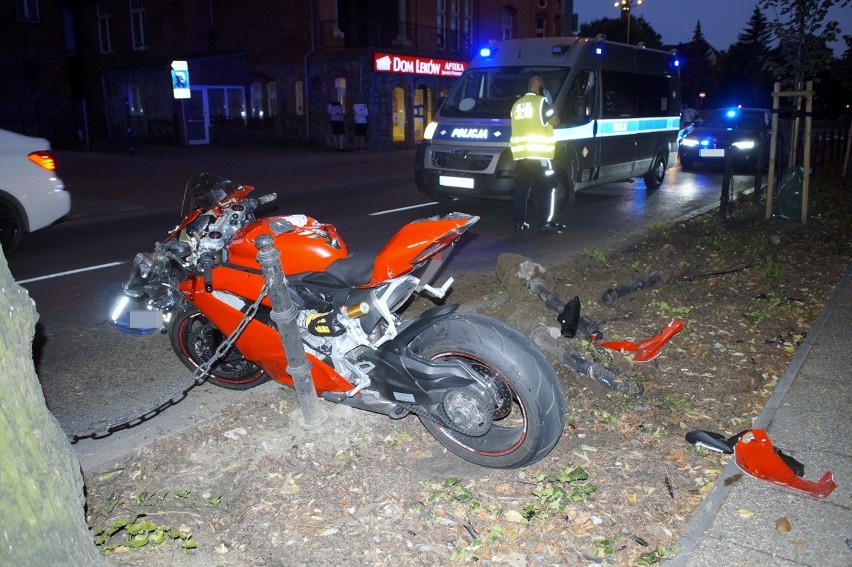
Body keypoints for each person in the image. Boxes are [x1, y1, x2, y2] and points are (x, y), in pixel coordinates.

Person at [510, 75, 566, 232]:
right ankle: (544, 222)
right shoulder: (541, 102)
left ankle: (519, 222)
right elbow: (555, 121)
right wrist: (550, 103)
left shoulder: (516, 105)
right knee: (548, 188)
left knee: (521, 190)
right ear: (541, 88)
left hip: (521, 157)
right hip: (540, 155)